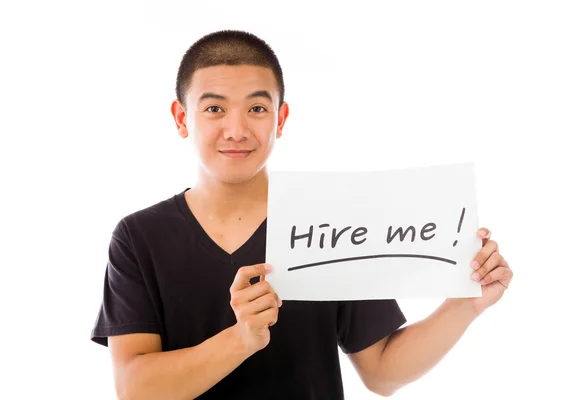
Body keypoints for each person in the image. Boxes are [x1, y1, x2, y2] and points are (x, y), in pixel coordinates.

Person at [90, 29, 513, 400]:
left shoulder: (330, 223)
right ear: (182, 118)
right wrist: (241, 339)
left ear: (281, 117)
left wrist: (464, 305)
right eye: (214, 108)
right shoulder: (139, 237)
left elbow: (383, 373)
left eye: (257, 108)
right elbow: (135, 388)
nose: (236, 130)